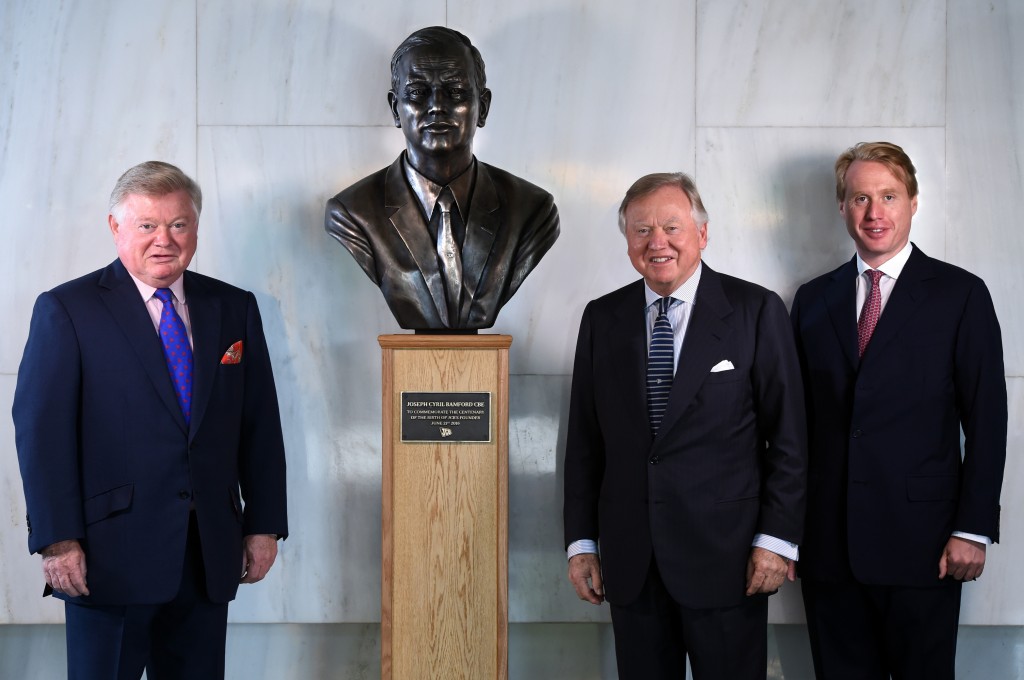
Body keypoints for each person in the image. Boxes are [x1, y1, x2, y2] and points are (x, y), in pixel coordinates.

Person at [12, 161, 289, 679]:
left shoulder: (233, 308)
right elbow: (41, 436)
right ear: (116, 228)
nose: (164, 239)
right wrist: (57, 540)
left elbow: (260, 425)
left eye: (178, 224)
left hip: (208, 554)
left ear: (196, 229)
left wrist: (265, 525)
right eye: (147, 226)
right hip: (106, 559)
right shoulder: (67, 310)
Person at [563, 172, 807, 679]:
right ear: (627, 241)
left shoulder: (755, 311)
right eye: (641, 230)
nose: (658, 242)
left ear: (702, 232)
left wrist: (776, 541)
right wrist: (582, 544)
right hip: (631, 563)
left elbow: (789, 437)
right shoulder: (601, 318)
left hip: (728, 560)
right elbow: (586, 443)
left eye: (671, 227)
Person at [791, 141, 1007, 679]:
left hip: (927, 546)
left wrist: (973, 528)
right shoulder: (812, 299)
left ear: (913, 201)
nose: (874, 212)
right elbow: (796, 427)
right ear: (842, 207)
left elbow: (987, 418)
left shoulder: (961, 295)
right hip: (829, 548)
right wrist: (785, 531)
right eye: (860, 198)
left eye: (888, 196)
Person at [325, 26, 559, 330]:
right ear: (396, 109)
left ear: (483, 107)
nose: (437, 106)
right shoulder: (353, 212)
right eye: (418, 93)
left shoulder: (531, 210)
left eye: (456, 92)